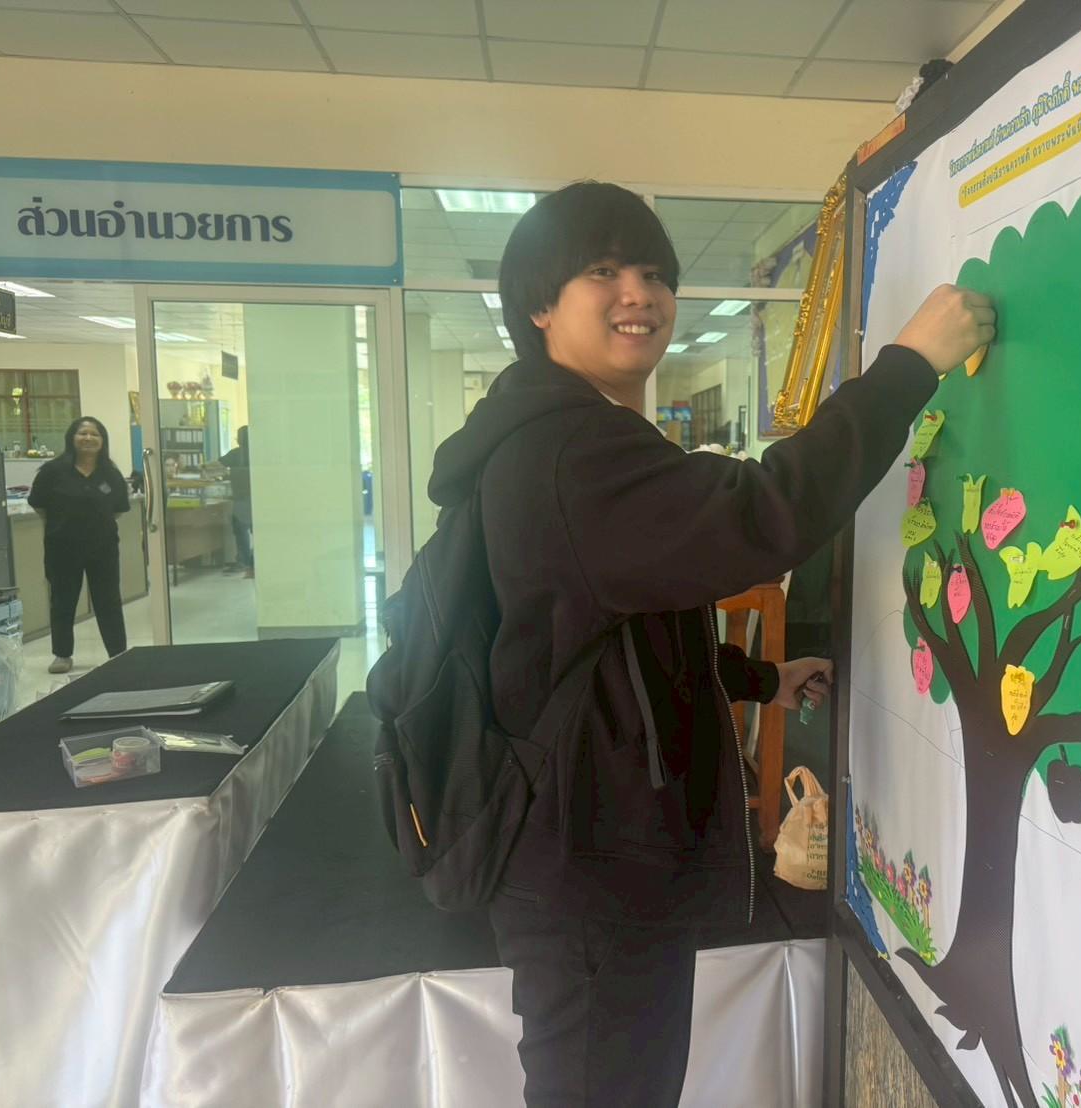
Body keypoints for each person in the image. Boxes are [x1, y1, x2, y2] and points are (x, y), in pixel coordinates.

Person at [425, 182, 994, 1107]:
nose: (638, 294)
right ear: (538, 305)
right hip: (589, 865)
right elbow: (759, 516)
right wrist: (907, 366)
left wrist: (759, 677)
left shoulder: (556, 435)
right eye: (601, 272)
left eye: (654, 273)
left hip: (581, 845)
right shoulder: (569, 452)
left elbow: (606, 634)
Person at [27, 416, 131, 673]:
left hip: (103, 547)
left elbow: (118, 509)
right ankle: (62, 655)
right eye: (82, 433)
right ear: (71, 438)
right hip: (62, 547)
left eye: (94, 434)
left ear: (102, 441)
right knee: (63, 601)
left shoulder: (111, 474)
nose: (88, 438)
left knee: (109, 601)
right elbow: (39, 504)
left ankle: (118, 653)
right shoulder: (53, 471)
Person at [220, 426, 252, 578]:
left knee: (240, 530)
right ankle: (253, 562)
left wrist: (202, 467)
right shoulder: (259, 452)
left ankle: (244, 561)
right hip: (256, 497)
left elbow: (218, 465)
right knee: (255, 531)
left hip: (242, 498)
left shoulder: (235, 454)